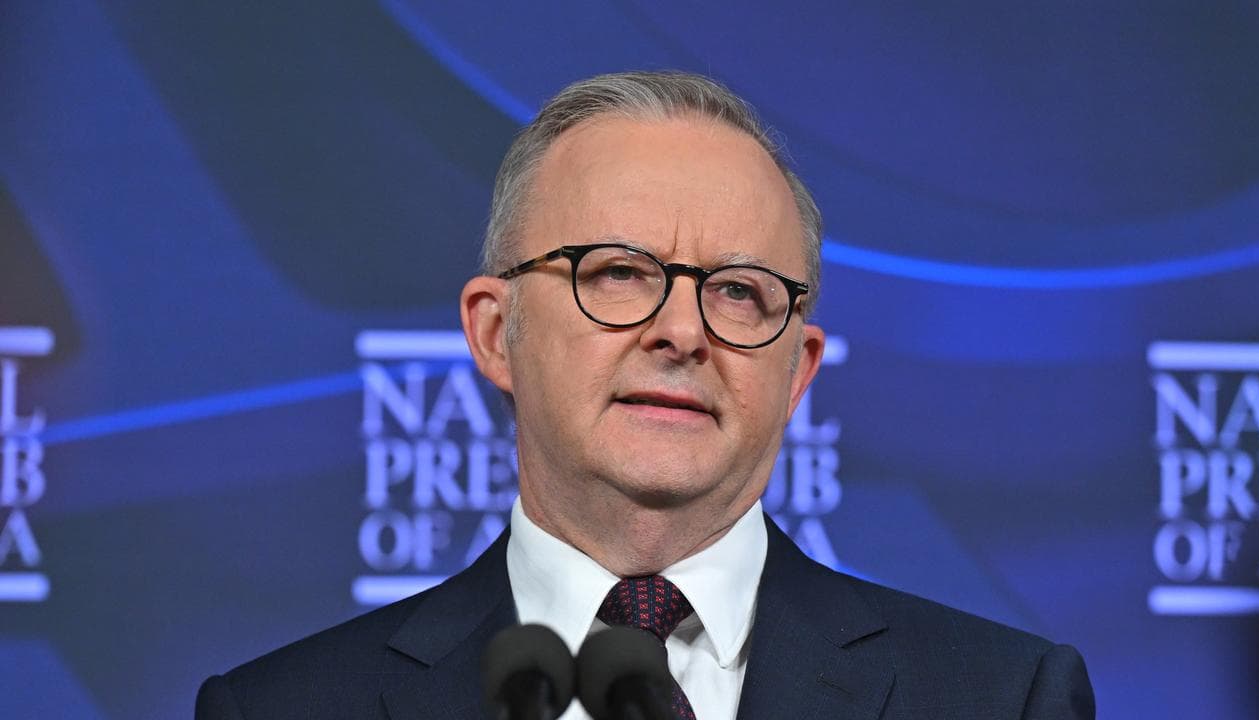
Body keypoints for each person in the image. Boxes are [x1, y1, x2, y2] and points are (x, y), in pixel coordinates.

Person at [196, 70, 1095, 719]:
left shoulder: (1002, 699)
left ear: (800, 370)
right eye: (618, 273)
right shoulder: (284, 709)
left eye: (740, 291)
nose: (682, 331)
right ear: (494, 332)